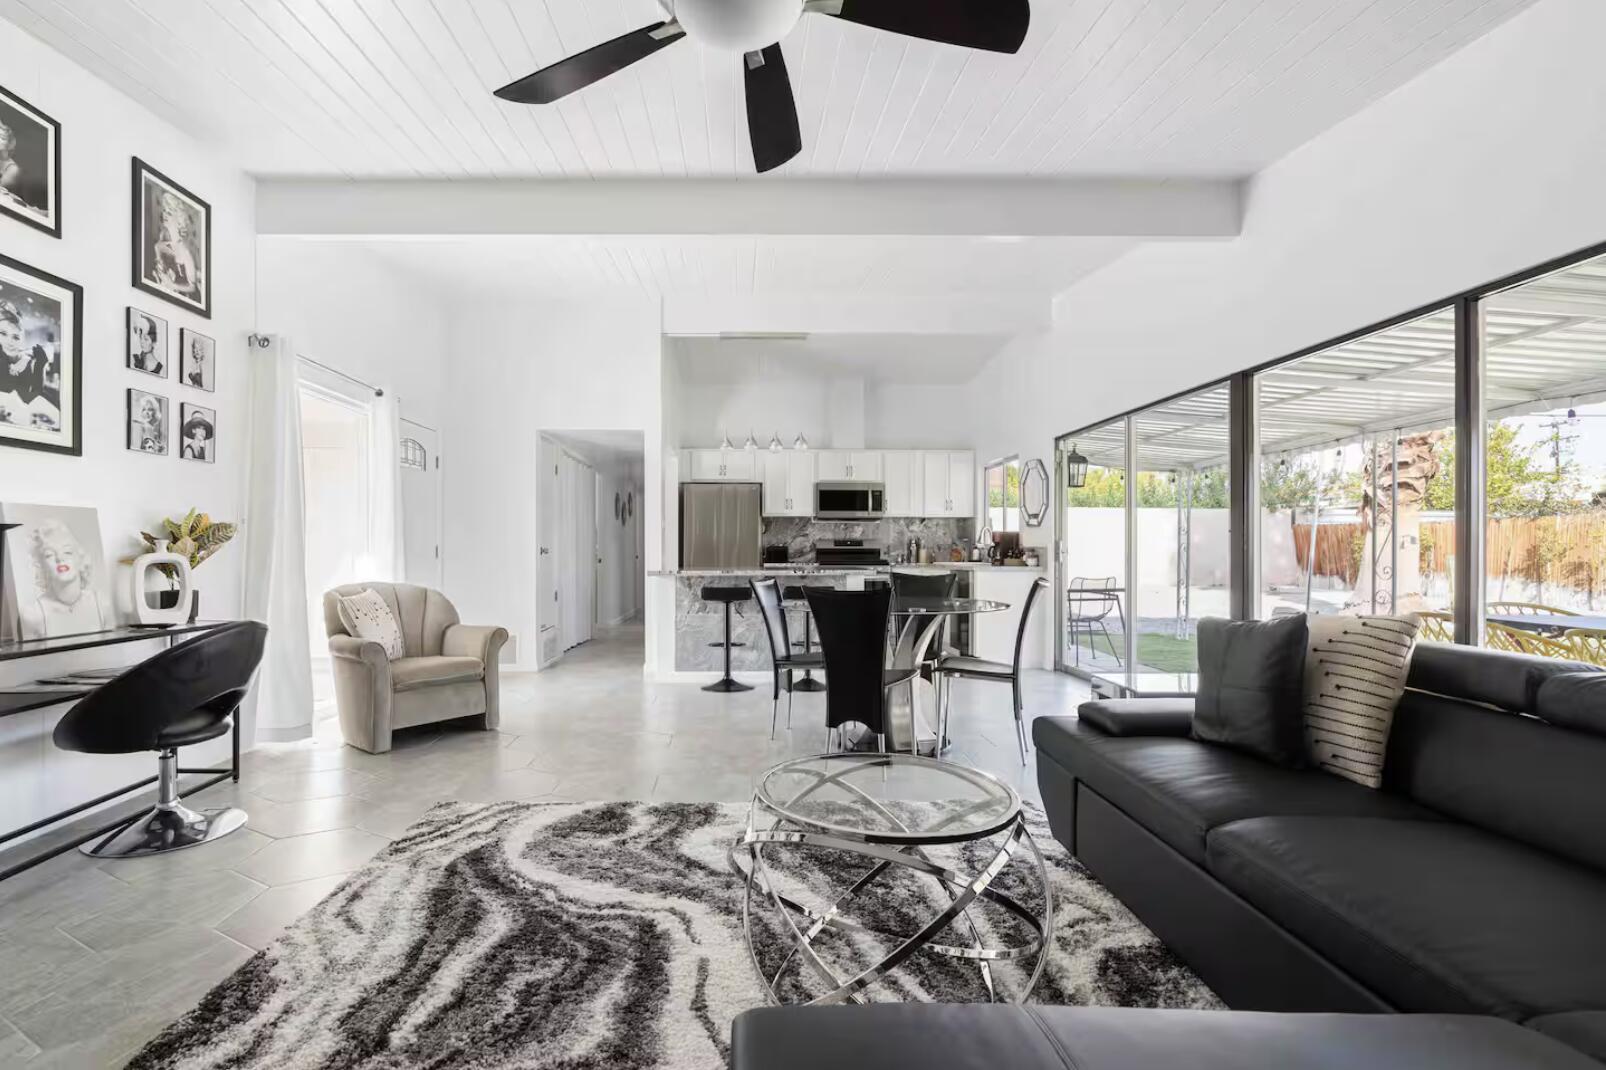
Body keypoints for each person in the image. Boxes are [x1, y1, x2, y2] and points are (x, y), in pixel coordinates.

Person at [18, 518, 107, 638]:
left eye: (67, 552)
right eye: (49, 554)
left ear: (81, 558)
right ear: (41, 566)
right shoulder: (32, 615)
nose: (59, 558)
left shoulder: (102, 604)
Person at [0, 299, 56, 419]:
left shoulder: (24, 360)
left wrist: (39, 366)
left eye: (15, 337)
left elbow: (30, 398)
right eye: (3, 333)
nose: (9, 341)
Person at [150, 189, 201, 302]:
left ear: (178, 219)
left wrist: (172, 286)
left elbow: (192, 287)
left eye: (169, 212)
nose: (165, 214)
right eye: (164, 211)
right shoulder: (159, 246)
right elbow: (160, 272)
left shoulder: (184, 251)